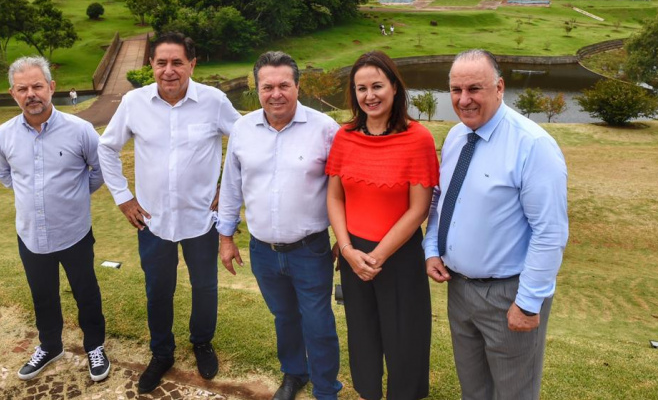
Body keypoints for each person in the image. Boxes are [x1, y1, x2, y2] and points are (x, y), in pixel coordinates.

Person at [98, 33, 240, 393]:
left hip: (202, 221)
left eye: (177, 62)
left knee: (205, 287)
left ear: (192, 64)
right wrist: (123, 197)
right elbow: (107, 147)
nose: (169, 70)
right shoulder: (134, 102)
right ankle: (161, 353)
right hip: (153, 220)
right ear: (151, 66)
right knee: (158, 290)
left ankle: (202, 341)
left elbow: (246, 143)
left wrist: (228, 189)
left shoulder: (214, 101)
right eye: (161, 62)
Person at [423, 49, 569, 400]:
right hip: (460, 290)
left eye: (475, 88)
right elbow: (443, 201)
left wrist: (528, 302)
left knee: (513, 392)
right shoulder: (457, 137)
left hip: (508, 294)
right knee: (474, 389)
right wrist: (431, 249)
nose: (464, 99)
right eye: (456, 90)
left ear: (499, 87)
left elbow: (550, 232)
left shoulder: (532, 146)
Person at [218, 51, 343, 400]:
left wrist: (344, 240)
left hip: (310, 249)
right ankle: (294, 374)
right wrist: (226, 238)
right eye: (267, 86)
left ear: (297, 86)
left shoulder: (324, 128)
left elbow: (343, 188)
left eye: (284, 85)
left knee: (318, 324)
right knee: (284, 318)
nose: (276, 93)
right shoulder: (242, 129)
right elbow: (231, 187)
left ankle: (326, 388)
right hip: (263, 251)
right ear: (256, 89)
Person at [325, 50, 439, 400]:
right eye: (361, 88)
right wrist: (347, 250)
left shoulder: (418, 138)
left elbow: (419, 209)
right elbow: (335, 198)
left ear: (394, 87)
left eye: (377, 86)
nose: (369, 95)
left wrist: (377, 257)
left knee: (405, 339)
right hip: (353, 253)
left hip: (399, 255)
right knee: (363, 335)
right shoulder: (345, 136)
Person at [0, 56, 110, 383]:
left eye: (37, 86)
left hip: (74, 232)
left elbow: (99, 171)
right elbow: (2, 173)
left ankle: (95, 346)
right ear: (12, 93)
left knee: (86, 292)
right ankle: (50, 345)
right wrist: (33, 196)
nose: (31, 94)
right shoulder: (4, 135)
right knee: (42, 294)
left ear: (51, 88)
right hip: (30, 235)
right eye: (22, 88)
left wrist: (72, 197)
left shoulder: (80, 130)